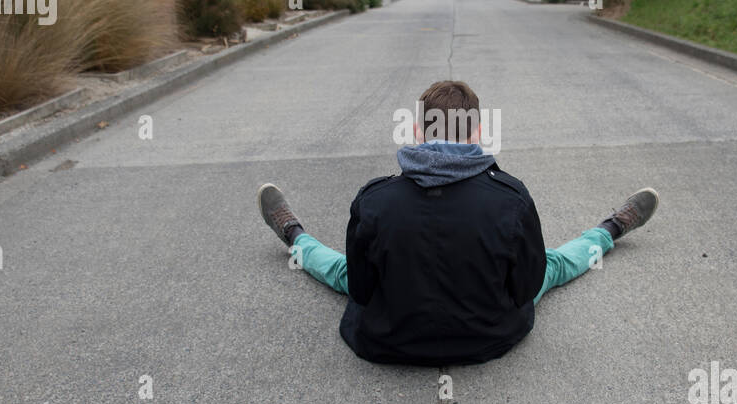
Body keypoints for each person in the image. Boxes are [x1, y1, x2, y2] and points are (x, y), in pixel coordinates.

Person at [257, 80, 658, 365]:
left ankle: (294, 233)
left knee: (347, 269)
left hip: (390, 338)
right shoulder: (512, 199)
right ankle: (612, 228)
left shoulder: (375, 200)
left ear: (418, 132)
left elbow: (361, 290)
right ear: (478, 133)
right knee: (550, 265)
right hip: (489, 334)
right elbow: (526, 288)